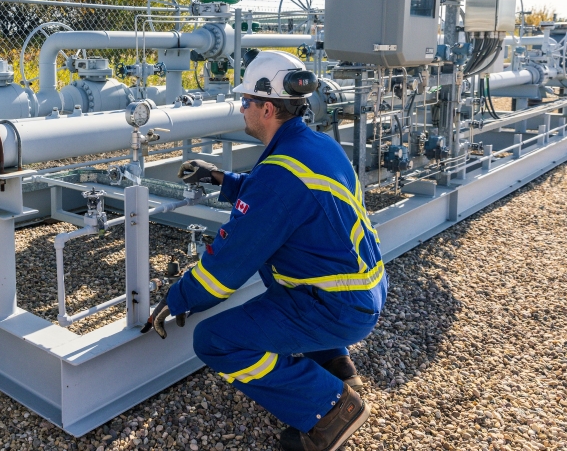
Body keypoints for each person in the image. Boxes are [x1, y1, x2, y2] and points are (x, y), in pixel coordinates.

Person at [141, 51, 386, 451]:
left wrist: (179, 297)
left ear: (267, 108)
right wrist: (224, 180)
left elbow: (225, 271)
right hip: (361, 290)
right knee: (283, 280)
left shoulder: (279, 177)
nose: (241, 108)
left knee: (215, 340)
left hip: (336, 306)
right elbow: (286, 195)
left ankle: (331, 410)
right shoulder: (318, 145)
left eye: (246, 102)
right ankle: (336, 367)